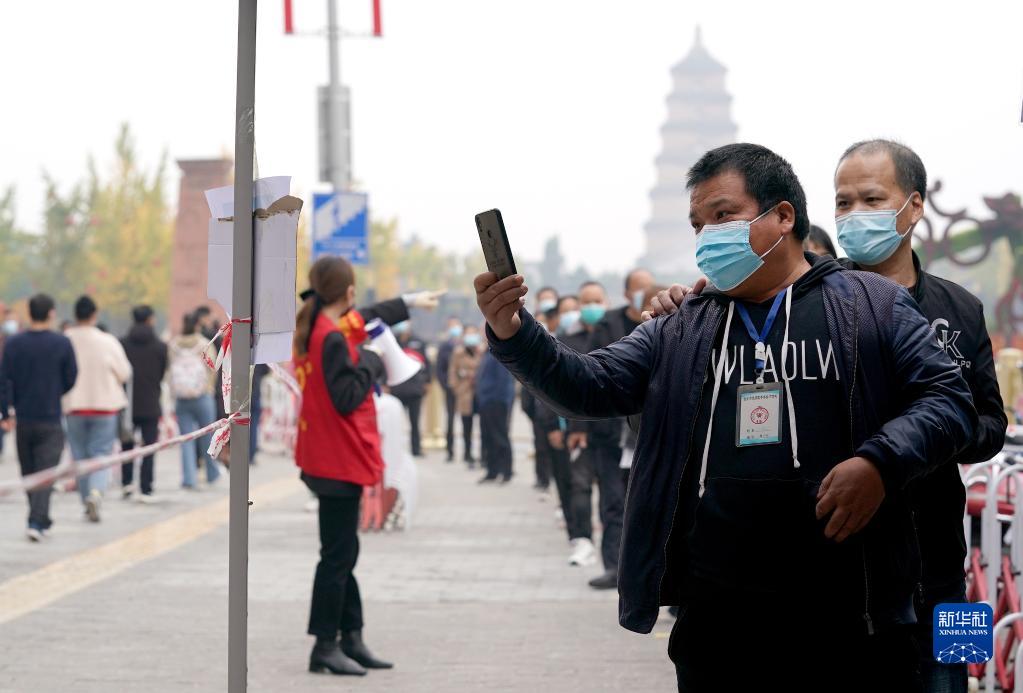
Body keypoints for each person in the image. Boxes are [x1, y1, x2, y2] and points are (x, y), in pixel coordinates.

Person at [475, 143, 976, 691]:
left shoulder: (872, 305)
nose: (709, 235)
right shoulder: (683, 324)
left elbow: (952, 401)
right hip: (717, 614)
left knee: (940, 673)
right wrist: (513, 331)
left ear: (783, 216)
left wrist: (880, 463)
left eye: (723, 215)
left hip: (854, 612)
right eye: (698, 224)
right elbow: (589, 385)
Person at [834, 139, 1007, 693]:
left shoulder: (961, 308)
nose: (854, 215)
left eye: (870, 199)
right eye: (843, 202)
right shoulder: (813, 303)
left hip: (943, 568)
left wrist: (934, 432)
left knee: (951, 679)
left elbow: (992, 425)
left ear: (913, 206)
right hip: (844, 574)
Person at [293, 256, 400, 677]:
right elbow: (346, 397)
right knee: (336, 557)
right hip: (336, 460)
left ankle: (351, 637)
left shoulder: (314, 326)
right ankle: (325, 645)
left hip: (325, 455)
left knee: (343, 552)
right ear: (349, 291)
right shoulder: (331, 336)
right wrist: (371, 360)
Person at [581, 268, 656, 590]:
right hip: (611, 434)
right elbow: (589, 372)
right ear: (626, 293)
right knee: (612, 501)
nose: (644, 294)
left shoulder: (664, 321)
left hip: (648, 433)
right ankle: (614, 567)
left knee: (648, 504)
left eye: (649, 288)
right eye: (639, 289)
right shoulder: (607, 325)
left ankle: (648, 571)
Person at [0, 294, 77, 541]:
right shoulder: (61, 343)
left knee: (29, 471)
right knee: (46, 471)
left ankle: (39, 517)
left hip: (24, 418)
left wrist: (5, 411)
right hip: (50, 416)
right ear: (51, 313)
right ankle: (37, 520)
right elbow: (71, 376)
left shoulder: (14, 343)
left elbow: (3, 379)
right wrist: (55, 392)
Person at [64, 295, 133, 523]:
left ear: (75, 315)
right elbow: (125, 372)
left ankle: (86, 500)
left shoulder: (66, 339)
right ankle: (96, 493)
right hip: (105, 407)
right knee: (101, 454)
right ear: (94, 314)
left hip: (73, 407)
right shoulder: (107, 341)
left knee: (80, 456)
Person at [119, 305, 168, 501]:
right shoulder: (160, 346)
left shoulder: (122, 344)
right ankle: (146, 487)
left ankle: (127, 483)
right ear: (150, 319)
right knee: (149, 446)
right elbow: (162, 373)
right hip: (150, 402)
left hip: (127, 403)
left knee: (127, 445)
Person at [169, 313, 219, 489]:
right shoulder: (204, 343)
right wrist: (209, 387)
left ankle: (189, 478)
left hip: (181, 398)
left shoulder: (174, 345)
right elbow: (213, 367)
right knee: (208, 436)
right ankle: (212, 473)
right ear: (197, 325)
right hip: (203, 396)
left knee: (186, 439)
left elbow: (169, 370)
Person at [522, 286, 560, 491]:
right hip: (537, 401)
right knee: (540, 444)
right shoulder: (531, 328)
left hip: (559, 400)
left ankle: (556, 478)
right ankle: (542, 478)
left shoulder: (564, 334)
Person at [475, 339, 515, 484]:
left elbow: (503, 381)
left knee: (500, 436)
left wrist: (497, 400)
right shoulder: (487, 353)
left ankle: (506, 471)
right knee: (488, 437)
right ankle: (492, 471)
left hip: (496, 402)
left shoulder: (500, 352)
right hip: (486, 401)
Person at [390, 321, 431, 458]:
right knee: (396, 422)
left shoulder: (418, 342)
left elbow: (427, 364)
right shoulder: (392, 341)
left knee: (415, 421)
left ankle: (416, 449)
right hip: (397, 388)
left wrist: (427, 381)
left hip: (415, 388)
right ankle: (396, 449)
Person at [448, 324, 483, 467]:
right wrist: (457, 389)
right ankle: (468, 454)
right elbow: (452, 373)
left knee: (484, 426)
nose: (471, 337)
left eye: (473, 333)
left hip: (480, 393)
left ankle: (484, 455)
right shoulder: (458, 353)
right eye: (468, 334)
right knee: (466, 425)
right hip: (465, 394)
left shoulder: (482, 351)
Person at [435, 316, 463, 462]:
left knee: (467, 419)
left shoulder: (466, 344)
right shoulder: (445, 347)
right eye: (451, 326)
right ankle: (450, 451)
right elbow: (439, 369)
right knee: (450, 419)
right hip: (450, 388)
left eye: (456, 325)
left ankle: (468, 452)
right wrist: (446, 385)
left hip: (466, 389)